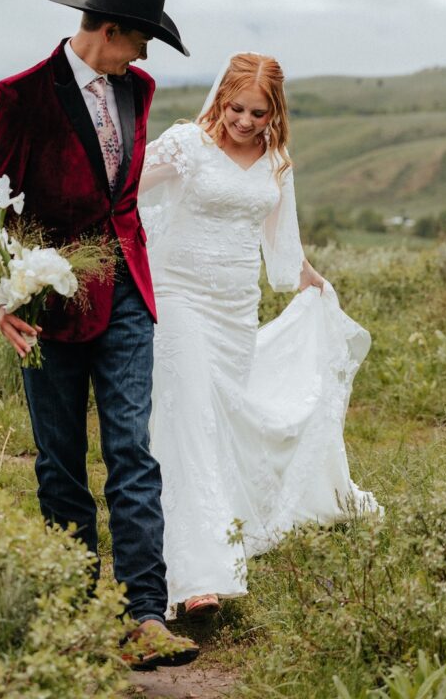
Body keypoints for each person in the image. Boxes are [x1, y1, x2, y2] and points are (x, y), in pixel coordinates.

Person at [0, 0, 199, 670]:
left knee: (133, 450)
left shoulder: (140, 89)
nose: (146, 53)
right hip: (46, 302)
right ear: (108, 30)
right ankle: (73, 615)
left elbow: (120, 197)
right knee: (60, 460)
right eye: (142, 38)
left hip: (126, 290)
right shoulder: (21, 96)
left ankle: (143, 615)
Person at [138, 52, 381, 618]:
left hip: (234, 311)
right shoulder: (186, 145)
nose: (244, 121)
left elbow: (283, 246)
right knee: (188, 420)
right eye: (235, 107)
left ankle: (222, 528)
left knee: (221, 423)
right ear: (220, 98)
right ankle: (198, 576)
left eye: (258, 112)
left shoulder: (277, 162)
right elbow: (121, 189)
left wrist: (314, 283)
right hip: (177, 298)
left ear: (275, 112)